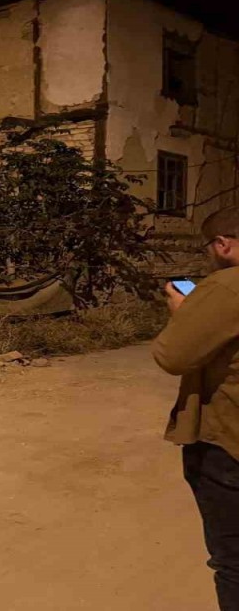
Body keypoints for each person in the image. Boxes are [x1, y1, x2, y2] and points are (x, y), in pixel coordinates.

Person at [154, 206, 239, 611]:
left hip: (230, 442)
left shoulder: (226, 286)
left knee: (235, 563)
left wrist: (182, 316)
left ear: (222, 245)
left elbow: (174, 356)